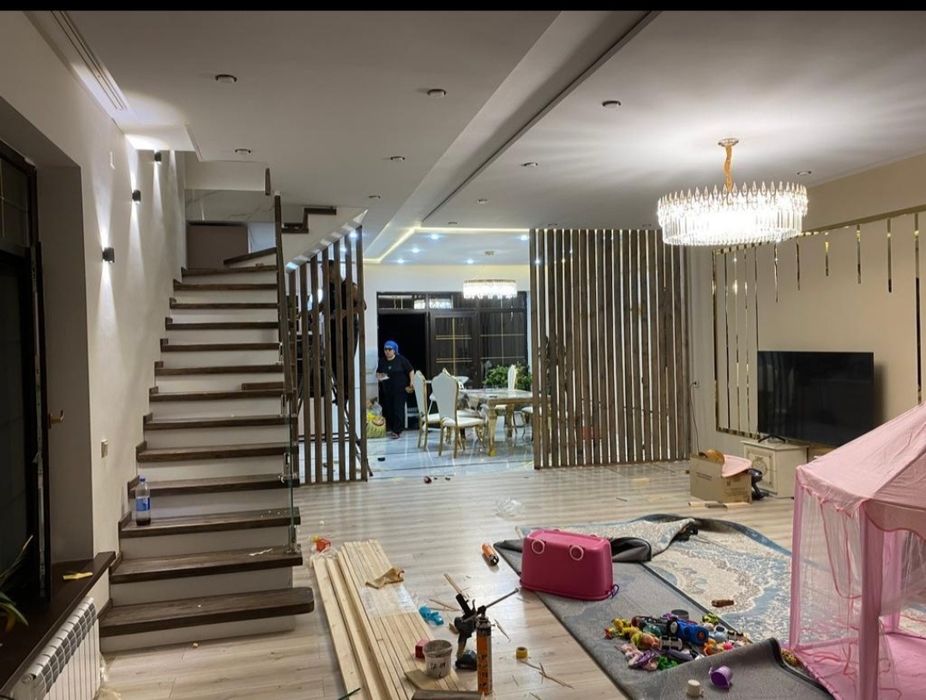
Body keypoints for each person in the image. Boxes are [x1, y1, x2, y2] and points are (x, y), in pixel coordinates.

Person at [325, 260, 366, 404]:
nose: (326, 275)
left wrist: (345, 312)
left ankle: (346, 394)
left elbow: (362, 306)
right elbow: (324, 305)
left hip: (348, 330)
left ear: (335, 269)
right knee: (333, 361)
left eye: (328, 271)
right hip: (333, 329)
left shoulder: (350, 286)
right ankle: (341, 392)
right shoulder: (329, 288)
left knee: (345, 362)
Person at [376, 340, 414, 439]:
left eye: (389, 349)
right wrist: (381, 377)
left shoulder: (401, 360)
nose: (387, 351)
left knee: (398, 410)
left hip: (400, 390)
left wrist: (411, 382)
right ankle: (393, 428)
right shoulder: (382, 361)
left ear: (394, 350)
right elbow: (378, 373)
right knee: (389, 410)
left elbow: (411, 370)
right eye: (385, 349)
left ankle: (397, 431)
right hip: (387, 390)